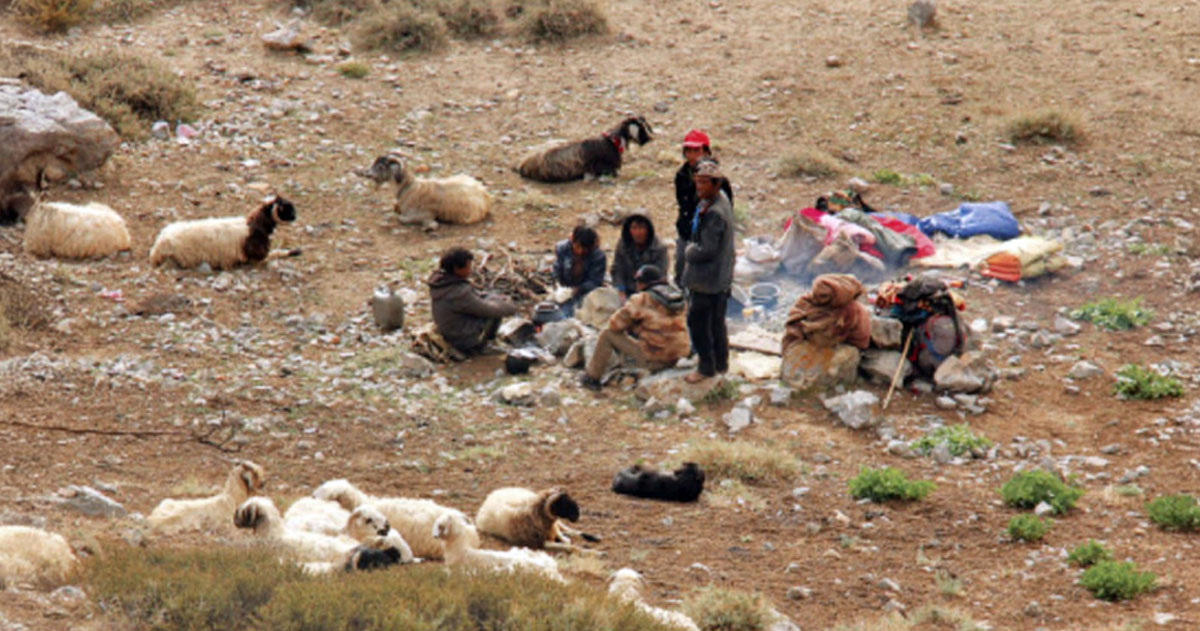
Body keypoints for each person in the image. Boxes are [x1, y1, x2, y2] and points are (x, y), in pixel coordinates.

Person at [579, 265, 689, 391]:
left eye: (638, 281)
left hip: (656, 359)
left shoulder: (642, 299)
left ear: (644, 283)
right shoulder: (678, 298)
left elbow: (615, 325)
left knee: (607, 334)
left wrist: (632, 325)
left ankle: (592, 378)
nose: (636, 285)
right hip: (679, 356)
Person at [681, 159, 735, 384]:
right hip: (720, 276)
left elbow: (707, 250)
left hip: (707, 279)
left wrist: (689, 251)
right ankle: (721, 364)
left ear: (716, 184)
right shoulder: (720, 201)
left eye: (704, 183)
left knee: (698, 322)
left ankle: (706, 367)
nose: (699, 188)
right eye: (697, 182)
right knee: (716, 322)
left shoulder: (714, 213)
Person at [427, 247, 517, 356]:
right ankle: (481, 346)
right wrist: (509, 305)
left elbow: (476, 298)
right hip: (461, 339)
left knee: (493, 300)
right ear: (457, 269)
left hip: (450, 332)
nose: (470, 270)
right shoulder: (458, 293)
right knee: (495, 313)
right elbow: (487, 309)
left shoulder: (443, 284)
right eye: (468, 267)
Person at [673, 130, 733, 285]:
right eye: (689, 151)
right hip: (687, 230)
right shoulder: (681, 175)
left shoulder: (718, 180)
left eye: (697, 151)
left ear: (706, 152)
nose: (692, 156)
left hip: (709, 232)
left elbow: (726, 209)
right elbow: (682, 204)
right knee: (681, 271)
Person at [610, 213, 669, 301]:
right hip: (626, 289)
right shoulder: (623, 245)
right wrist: (620, 290)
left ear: (648, 230)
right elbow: (617, 269)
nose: (638, 232)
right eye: (634, 228)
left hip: (651, 292)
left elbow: (661, 275)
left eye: (641, 228)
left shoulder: (659, 248)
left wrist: (645, 289)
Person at [552, 225, 606, 315]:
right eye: (577, 247)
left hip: (586, 293)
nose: (580, 251)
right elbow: (557, 267)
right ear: (572, 242)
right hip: (565, 289)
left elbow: (595, 281)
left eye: (584, 249)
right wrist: (557, 284)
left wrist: (578, 289)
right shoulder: (562, 249)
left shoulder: (598, 257)